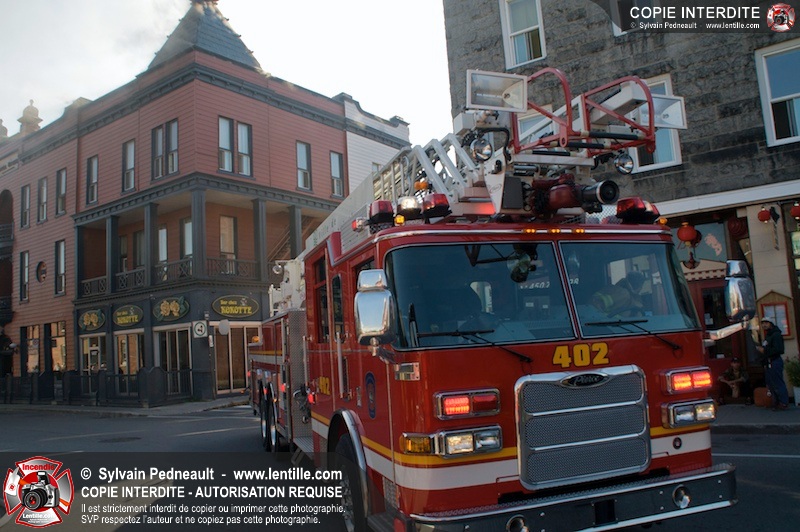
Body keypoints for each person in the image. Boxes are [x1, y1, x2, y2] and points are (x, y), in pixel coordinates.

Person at [756, 317, 789, 410]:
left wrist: (764, 350)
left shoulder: (776, 335)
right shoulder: (768, 335)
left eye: (766, 323)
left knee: (778, 382)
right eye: (763, 323)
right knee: (771, 383)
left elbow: (779, 349)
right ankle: (775, 402)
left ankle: (783, 402)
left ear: (771, 323)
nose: (764, 325)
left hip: (775, 361)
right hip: (769, 362)